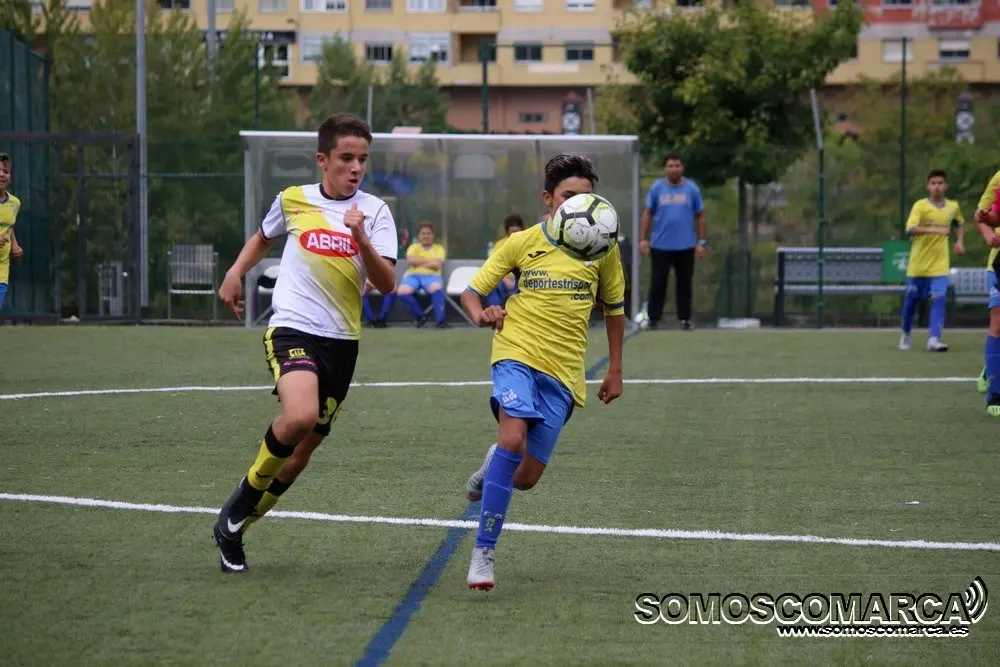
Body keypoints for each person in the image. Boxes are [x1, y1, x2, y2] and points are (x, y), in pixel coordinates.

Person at [212, 113, 398, 573]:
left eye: (363, 159)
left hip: (342, 341)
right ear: (322, 159)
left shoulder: (376, 212)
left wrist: (360, 237)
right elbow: (263, 238)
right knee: (299, 415)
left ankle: (235, 530)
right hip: (293, 327)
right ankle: (239, 502)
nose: (356, 168)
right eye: (346, 158)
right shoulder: (294, 199)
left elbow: (386, 283)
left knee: (298, 457)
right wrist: (235, 273)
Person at [460, 154, 626, 591]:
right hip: (515, 352)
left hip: (564, 371)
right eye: (569, 197)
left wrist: (615, 369)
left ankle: (490, 468)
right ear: (549, 199)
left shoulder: (603, 248)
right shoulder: (522, 242)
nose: (578, 207)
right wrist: (481, 314)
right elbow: (472, 292)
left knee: (525, 478)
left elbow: (614, 310)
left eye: (586, 198)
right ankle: (483, 553)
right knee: (512, 438)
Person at [898, 169, 965, 352]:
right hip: (918, 265)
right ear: (928, 186)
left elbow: (959, 223)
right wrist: (936, 230)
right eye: (933, 183)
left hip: (939, 265)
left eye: (940, 183)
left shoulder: (953, 207)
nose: (937, 187)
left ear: (946, 186)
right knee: (911, 303)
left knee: (938, 299)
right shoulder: (920, 206)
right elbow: (911, 229)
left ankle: (934, 339)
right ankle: (906, 333)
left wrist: (959, 241)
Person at [639, 154, 706, 330]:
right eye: (670, 166)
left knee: (685, 283)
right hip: (660, 245)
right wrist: (643, 239)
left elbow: (700, 215)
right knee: (658, 282)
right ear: (665, 169)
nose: (674, 169)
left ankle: (685, 319)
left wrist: (701, 242)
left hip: (686, 245)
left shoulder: (692, 189)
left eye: (677, 166)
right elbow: (647, 213)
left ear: (682, 168)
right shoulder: (657, 188)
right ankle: (653, 319)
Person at [376, 222, 448, 328]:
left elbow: (437, 265)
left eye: (428, 233)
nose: (426, 236)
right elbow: (411, 261)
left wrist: (419, 261)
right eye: (423, 233)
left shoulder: (439, 248)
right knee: (402, 292)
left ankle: (440, 322)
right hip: (413, 275)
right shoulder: (413, 247)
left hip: (432, 276)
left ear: (433, 235)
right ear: (419, 235)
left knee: (436, 288)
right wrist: (429, 261)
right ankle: (421, 316)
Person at [973, 169, 1000, 413]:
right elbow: (982, 216)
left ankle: (991, 367)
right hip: (998, 262)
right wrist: (989, 235)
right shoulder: (999, 178)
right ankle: (995, 394)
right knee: (998, 323)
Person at [0, 153, 24, 311]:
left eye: (6, 171)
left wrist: (15, 246)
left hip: (2, 269)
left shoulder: (15, 203)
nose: (2, 174)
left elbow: (10, 226)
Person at [486, 214, 524, 308]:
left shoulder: (527, 244)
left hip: (522, 279)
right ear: (507, 231)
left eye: (517, 231)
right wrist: (506, 281)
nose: (515, 235)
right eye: (512, 232)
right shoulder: (500, 245)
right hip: (503, 279)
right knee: (491, 288)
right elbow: (494, 266)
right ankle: (496, 311)